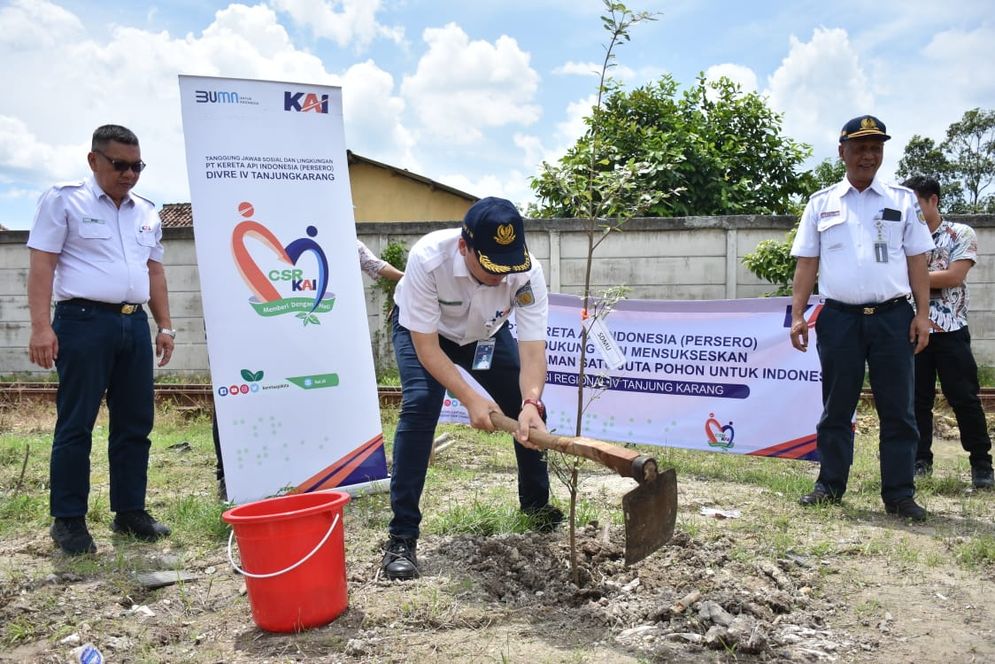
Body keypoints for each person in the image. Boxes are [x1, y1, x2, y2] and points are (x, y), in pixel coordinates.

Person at [381, 197, 561, 580]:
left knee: (525, 408)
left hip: (486, 337)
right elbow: (427, 349)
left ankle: (537, 508)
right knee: (420, 403)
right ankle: (402, 536)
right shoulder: (429, 259)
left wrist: (531, 401)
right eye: (491, 267)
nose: (501, 278)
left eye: (508, 266)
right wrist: (471, 398)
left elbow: (532, 350)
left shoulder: (526, 272)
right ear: (465, 247)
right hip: (426, 334)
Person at [27, 124, 175, 555]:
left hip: (134, 324)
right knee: (76, 423)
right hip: (83, 320)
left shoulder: (146, 210)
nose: (129, 174)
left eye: (137, 166)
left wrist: (163, 326)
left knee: (135, 423)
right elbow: (42, 265)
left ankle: (130, 511)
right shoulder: (64, 200)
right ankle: (68, 520)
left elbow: (155, 271)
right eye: (119, 165)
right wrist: (41, 326)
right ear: (94, 160)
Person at [788, 115, 935, 520]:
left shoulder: (903, 200)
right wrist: (798, 315)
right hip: (839, 319)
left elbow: (918, 262)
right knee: (836, 406)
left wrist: (922, 315)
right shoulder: (821, 204)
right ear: (842, 152)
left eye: (876, 147)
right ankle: (830, 485)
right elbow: (806, 263)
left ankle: (900, 495)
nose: (868, 155)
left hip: (892, 318)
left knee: (898, 410)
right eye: (860, 147)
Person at [211, 239, 403, 500]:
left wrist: (411, 279)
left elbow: (374, 265)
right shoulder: (257, 238)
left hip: (317, 327)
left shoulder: (340, 236)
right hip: (260, 324)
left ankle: (327, 468)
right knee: (241, 394)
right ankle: (229, 477)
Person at [902, 175, 994, 490]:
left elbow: (954, 276)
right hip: (913, 327)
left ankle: (982, 465)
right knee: (916, 400)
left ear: (933, 201)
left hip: (951, 329)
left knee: (964, 398)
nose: (911, 213)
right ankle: (919, 461)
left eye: (916, 205)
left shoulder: (960, 233)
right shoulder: (901, 237)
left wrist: (911, 276)